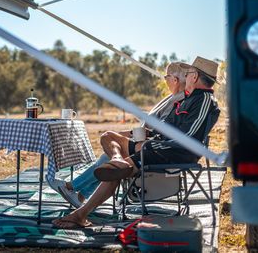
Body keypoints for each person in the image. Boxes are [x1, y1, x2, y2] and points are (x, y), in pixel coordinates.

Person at [52, 56, 220, 229]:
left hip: (169, 153)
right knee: (108, 136)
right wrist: (148, 134)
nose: (186, 78)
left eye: (189, 73)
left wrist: (150, 144)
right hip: (158, 147)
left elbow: (187, 140)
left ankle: (80, 214)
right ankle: (116, 160)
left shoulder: (204, 100)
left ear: (195, 76)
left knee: (117, 170)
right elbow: (166, 129)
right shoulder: (188, 99)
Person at [48, 62, 188, 208]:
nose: (165, 81)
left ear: (174, 80)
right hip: (147, 143)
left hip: (152, 149)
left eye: (166, 77)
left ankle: (72, 188)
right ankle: (79, 195)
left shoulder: (177, 101)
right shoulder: (175, 98)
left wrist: (135, 135)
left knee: (108, 151)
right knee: (107, 152)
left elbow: (160, 131)